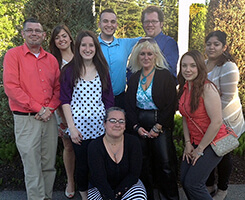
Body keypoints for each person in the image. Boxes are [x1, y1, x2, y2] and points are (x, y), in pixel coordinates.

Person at [3, 18, 60, 200]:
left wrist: (49, 109)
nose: (34, 33)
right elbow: (11, 87)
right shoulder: (13, 55)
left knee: (48, 164)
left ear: (44, 35)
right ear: (23, 34)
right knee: (32, 166)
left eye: (38, 30)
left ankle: (47, 197)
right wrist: (39, 109)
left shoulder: (51, 59)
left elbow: (58, 88)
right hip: (26, 120)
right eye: (30, 30)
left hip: (49, 119)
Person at [60, 30, 114, 199]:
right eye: (84, 45)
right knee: (82, 165)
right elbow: (65, 100)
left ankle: (100, 193)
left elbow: (108, 99)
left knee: (98, 164)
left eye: (91, 45)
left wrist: (109, 125)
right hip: (78, 130)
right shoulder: (69, 70)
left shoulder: (102, 69)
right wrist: (71, 128)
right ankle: (84, 196)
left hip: (99, 129)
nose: (87, 48)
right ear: (78, 47)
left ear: (96, 48)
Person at [125, 37, 179, 200]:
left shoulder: (164, 76)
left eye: (149, 54)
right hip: (140, 125)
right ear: (137, 56)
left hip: (160, 125)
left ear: (156, 55)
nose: (146, 57)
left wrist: (158, 127)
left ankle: (169, 197)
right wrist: (135, 127)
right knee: (143, 165)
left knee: (165, 165)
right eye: (142, 54)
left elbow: (171, 104)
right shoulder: (134, 77)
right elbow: (129, 105)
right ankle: (147, 196)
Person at [178, 50, 228, 200]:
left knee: (194, 184)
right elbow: (186, 117)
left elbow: (217, 122)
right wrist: (188, 144)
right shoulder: (186, 87)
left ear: (200, 67)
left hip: (213, 142)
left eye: (192, 66)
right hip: (195, 141)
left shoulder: (208, 88)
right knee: (185, 180)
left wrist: (199, 149)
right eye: (184, 65)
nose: (188, 69)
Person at [205, 30, 245, 200]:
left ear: (224, 47)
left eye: (216, 44)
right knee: (207, 151)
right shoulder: (204, 63)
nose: (211, 47)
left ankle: (222, 189)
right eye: (209, 44)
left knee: (223, 154)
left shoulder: (228, 66)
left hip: (227, 120)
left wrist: (213, 119)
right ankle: (209, 184)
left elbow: (227, 98)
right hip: (207, 118)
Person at [88, 107, 147, 200]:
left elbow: (134, 174)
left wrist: (117, 194)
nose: (117, 124)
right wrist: (111, 198)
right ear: (104, 124)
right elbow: (99, 179)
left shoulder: (133, 142)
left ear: (125, 125)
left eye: (121, 121)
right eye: (112, 120)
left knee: (139, 197)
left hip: (128, 185)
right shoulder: (94, 146)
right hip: (101, 188)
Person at [49, 25, 76, 199]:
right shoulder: (52, 61)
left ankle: (89, 179)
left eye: (64, 36)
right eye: (57, 37)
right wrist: (61, 115)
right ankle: (71, 181)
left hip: (84, 109)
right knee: (68, 146)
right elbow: (53, 89)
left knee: (88, 145)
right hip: (62, 110)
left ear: (70, 38)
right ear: (54, 42)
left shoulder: (81, 56)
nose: (61, 39)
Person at [98, 8, 141, 108]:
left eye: (112, 22)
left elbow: (147, 39)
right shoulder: (92, 45)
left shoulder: (125, 44)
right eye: (105, 21)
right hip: (98, 99)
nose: (109, 25)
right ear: (99, 24)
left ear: (116, 25)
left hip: (120, 99)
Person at [141, 6, 179, 79]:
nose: (150, 24)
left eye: (154, 21)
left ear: (161, 24)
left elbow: (168, 69)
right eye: (146, 21)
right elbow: (132, 69)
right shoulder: (140, 44)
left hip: (163, 88)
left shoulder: (169, 43)